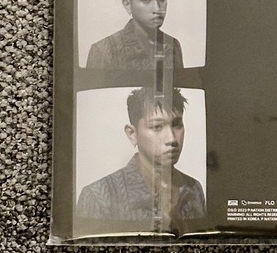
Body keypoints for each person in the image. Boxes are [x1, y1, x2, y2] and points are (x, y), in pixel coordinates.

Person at [76, 87, 205, 227]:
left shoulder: (193, 188)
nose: (172, 139)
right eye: (157, 127)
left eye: (177, 125)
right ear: (132, 134)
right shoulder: (98, 197)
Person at [86, 0, 184, 70]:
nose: (157, 8)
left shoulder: (173, 45)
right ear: (128, 5)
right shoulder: (103, 51)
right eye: (146, 0)